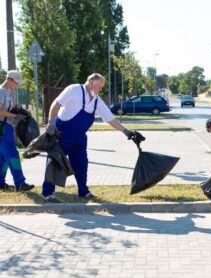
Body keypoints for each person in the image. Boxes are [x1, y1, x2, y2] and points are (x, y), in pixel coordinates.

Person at [43, 73, 142, 202]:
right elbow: (56, 104)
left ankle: (83, 191)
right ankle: (48, 193)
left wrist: (126, 132)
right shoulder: (74, 90)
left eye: (101, 87)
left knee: (81, 164)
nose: (100, 89)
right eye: (99, 86)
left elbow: (110, 119)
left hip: (79, 138)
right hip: (62, 134)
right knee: (55, 162)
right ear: (90, 82)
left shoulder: (96, 101)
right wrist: (50, 122)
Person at [0, 70, 34, 192]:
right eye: (16, 83)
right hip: (2, 128)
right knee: (13, 155)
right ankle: (20, 183)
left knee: (3, 156)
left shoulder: (8, 91)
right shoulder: (1, 91)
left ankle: (0, 182)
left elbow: (8, 109)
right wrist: (14, 116)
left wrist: (18, 111)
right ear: (9, 79)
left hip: (5, 126)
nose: (17, 86)